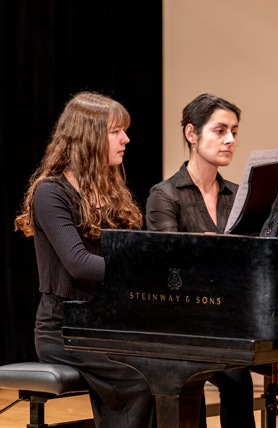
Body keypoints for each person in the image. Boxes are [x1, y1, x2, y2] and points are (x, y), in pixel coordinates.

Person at [14, 92, 156, 428]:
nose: (126, 138)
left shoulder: (110, 191)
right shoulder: (51, 192)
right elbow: (80, 264)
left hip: (108, 325)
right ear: (87, 136)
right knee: (141, 381)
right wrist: (143, 274)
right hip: (64, 331)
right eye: (115, 131)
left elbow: (133, 252)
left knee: (175, 374)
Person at [145, 93, 256, 428]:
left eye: (234, 131)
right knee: (233, 373)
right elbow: (167, 265)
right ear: (192, 134)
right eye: (220, 131)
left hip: (230, 318)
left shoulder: (239, 194)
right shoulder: (165, 195)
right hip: (181, 319)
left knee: (239, 379)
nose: (230, 140)